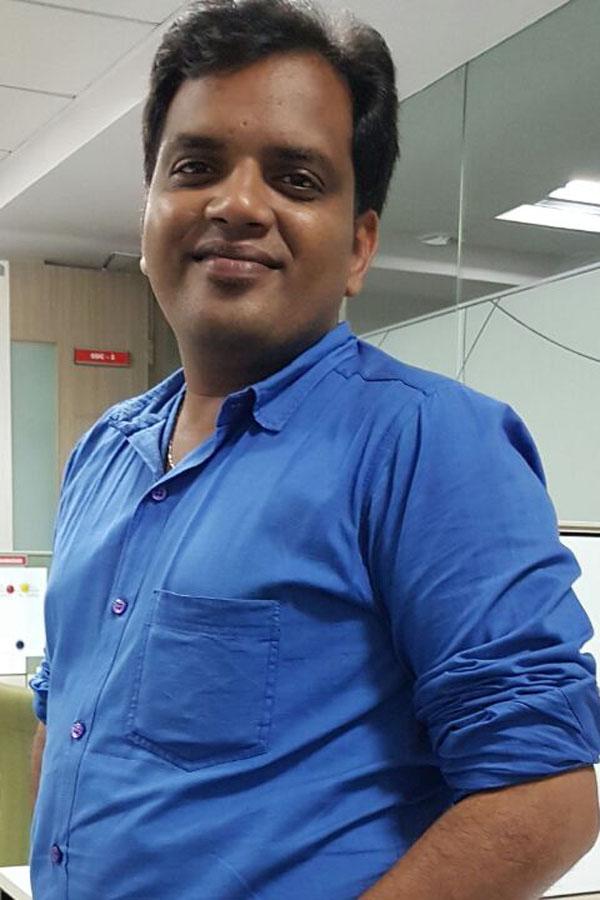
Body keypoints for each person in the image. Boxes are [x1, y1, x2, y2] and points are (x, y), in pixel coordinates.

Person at [29, 1, 600, 897]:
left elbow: (543, 793)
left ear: (359, 246)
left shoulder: (425, 445)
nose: (236, 204)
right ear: (148, 216)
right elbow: (66, 717)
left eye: (296, 179)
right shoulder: (102, 452)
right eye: (195, 167)